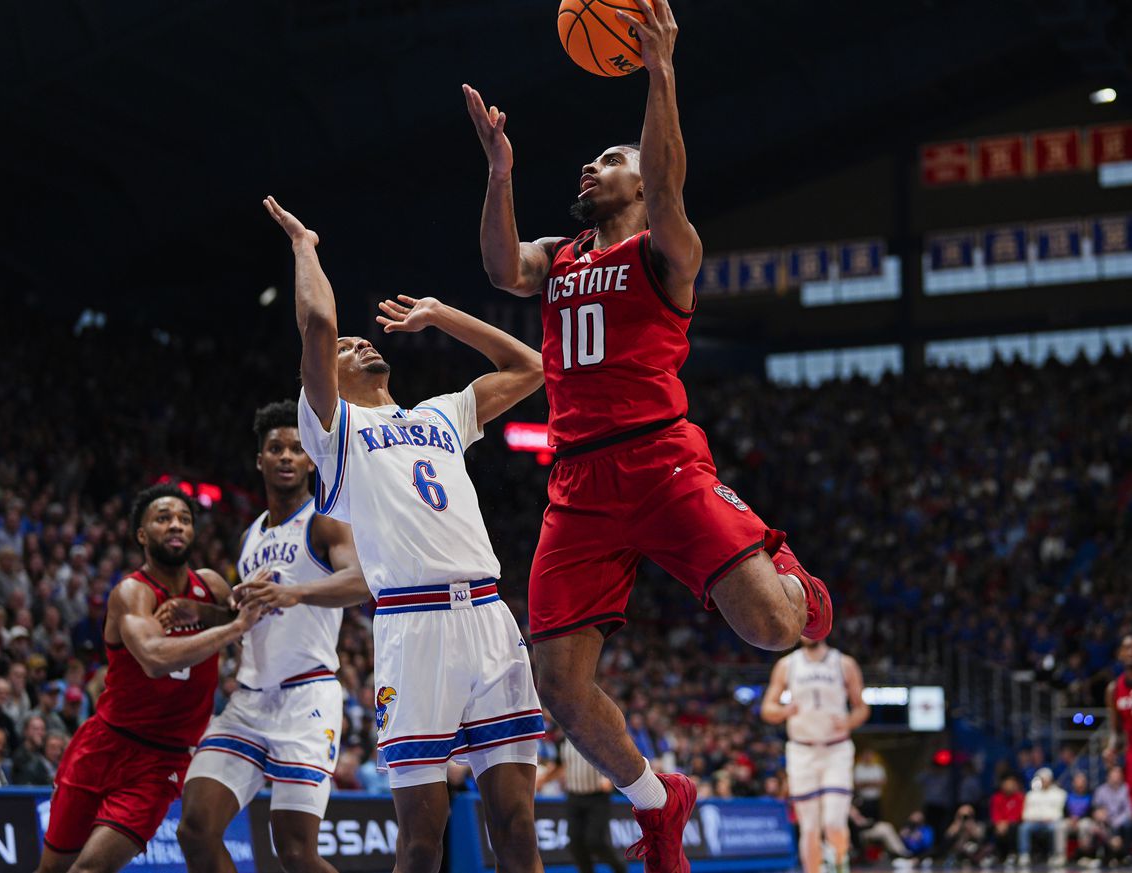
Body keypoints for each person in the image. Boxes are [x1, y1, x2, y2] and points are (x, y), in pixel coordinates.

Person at [464, 1, 832, 866]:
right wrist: (499, 169)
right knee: (559, 685)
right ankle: (657, 802)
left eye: (611, 159)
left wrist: (660, 75)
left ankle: (788, 568)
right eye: (592, 161)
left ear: (638, 182)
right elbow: (495, 265)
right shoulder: (559, 255)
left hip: (663, 462)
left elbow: (667, 187)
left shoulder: (667, 253)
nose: (593, 167)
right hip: (578, 485)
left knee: (778, 631)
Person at [266, 194, 546, 873]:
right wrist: (305, 247)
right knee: (423, 839)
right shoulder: (333, 434)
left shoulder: (441, 415)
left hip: (487, 616)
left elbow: (531, 367)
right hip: (412, 626)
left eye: (364, 339)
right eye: (346, 347)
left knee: (516, 826)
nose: (358, 342)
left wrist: (442, 314)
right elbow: (318, 322)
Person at [175, 399, 367, 873]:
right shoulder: (251, 536)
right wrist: (202, 611)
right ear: (260, 459)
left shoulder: (325, 520)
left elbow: (361, 582)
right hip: (250, 700)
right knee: (195, 829)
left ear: (309, 461)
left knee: (296, 852)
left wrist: (296, 593)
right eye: (275, 448)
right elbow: (249, 616)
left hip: (308, 699)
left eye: (296, 449)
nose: (286, 456)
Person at [34, 484, 263, 873]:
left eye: (184, 520)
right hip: (103, 745)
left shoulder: (210, 586)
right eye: (163, 519)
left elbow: (249, 631)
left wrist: (207, 614)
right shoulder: (131, 593)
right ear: (142, 535)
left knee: (90, 870)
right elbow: (155, 659)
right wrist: (233, 625)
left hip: (162, 762)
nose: (176, 526)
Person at [761, 638, 869, 873]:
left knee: (833, 823)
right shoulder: (787, 665)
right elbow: (767, 708)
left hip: (836, 750)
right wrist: (784, 710)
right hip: (802, 751)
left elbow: (862, 707)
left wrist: (849, 721)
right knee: (809, 828)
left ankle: (840, 863)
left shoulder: (843, 663)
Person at [539, 733, 627, 873]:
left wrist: (610, 779)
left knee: (594, 841)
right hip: (574, 798)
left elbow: (616, 761)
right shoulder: (562, 741)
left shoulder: (599, 739)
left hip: (597, 797)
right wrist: (542, 781)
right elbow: (559, 765)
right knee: (575, 843)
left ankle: (620, 870)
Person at [1018, 767, 1067, 865]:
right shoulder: (1031, 795)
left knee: (1058, 827)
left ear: (1050, 780)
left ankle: (1057, 855)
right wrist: (1035, 819)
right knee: (1024, 828)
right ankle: (1024, 854)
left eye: (1045, 779)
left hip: (1051, 822)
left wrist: (1049, 818)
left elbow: (1059, 812)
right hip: (1034, 822)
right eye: (1041, 779)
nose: (1044, 781)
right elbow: (1026, 813)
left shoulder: (1060, 794)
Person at [1104, 634, 1132, 801]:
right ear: (1120, 654)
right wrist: (1110, 749)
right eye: (1127, 647)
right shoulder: (1113, 689)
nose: (1130, 652)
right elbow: (1116, 732)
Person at [990, 775, 1025, 864]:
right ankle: (994, 854)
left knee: (1013, 828)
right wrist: (999, 823)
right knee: (990, 827)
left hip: (1013, 823)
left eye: (1011, 784)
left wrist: (1006, 823)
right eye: (1007, 784)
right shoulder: (997, 797)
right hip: (1000, 824)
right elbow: (995, 813)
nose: (1009, 786)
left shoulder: (1019, 797)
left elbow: (1019, 814)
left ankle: (1012, 853)